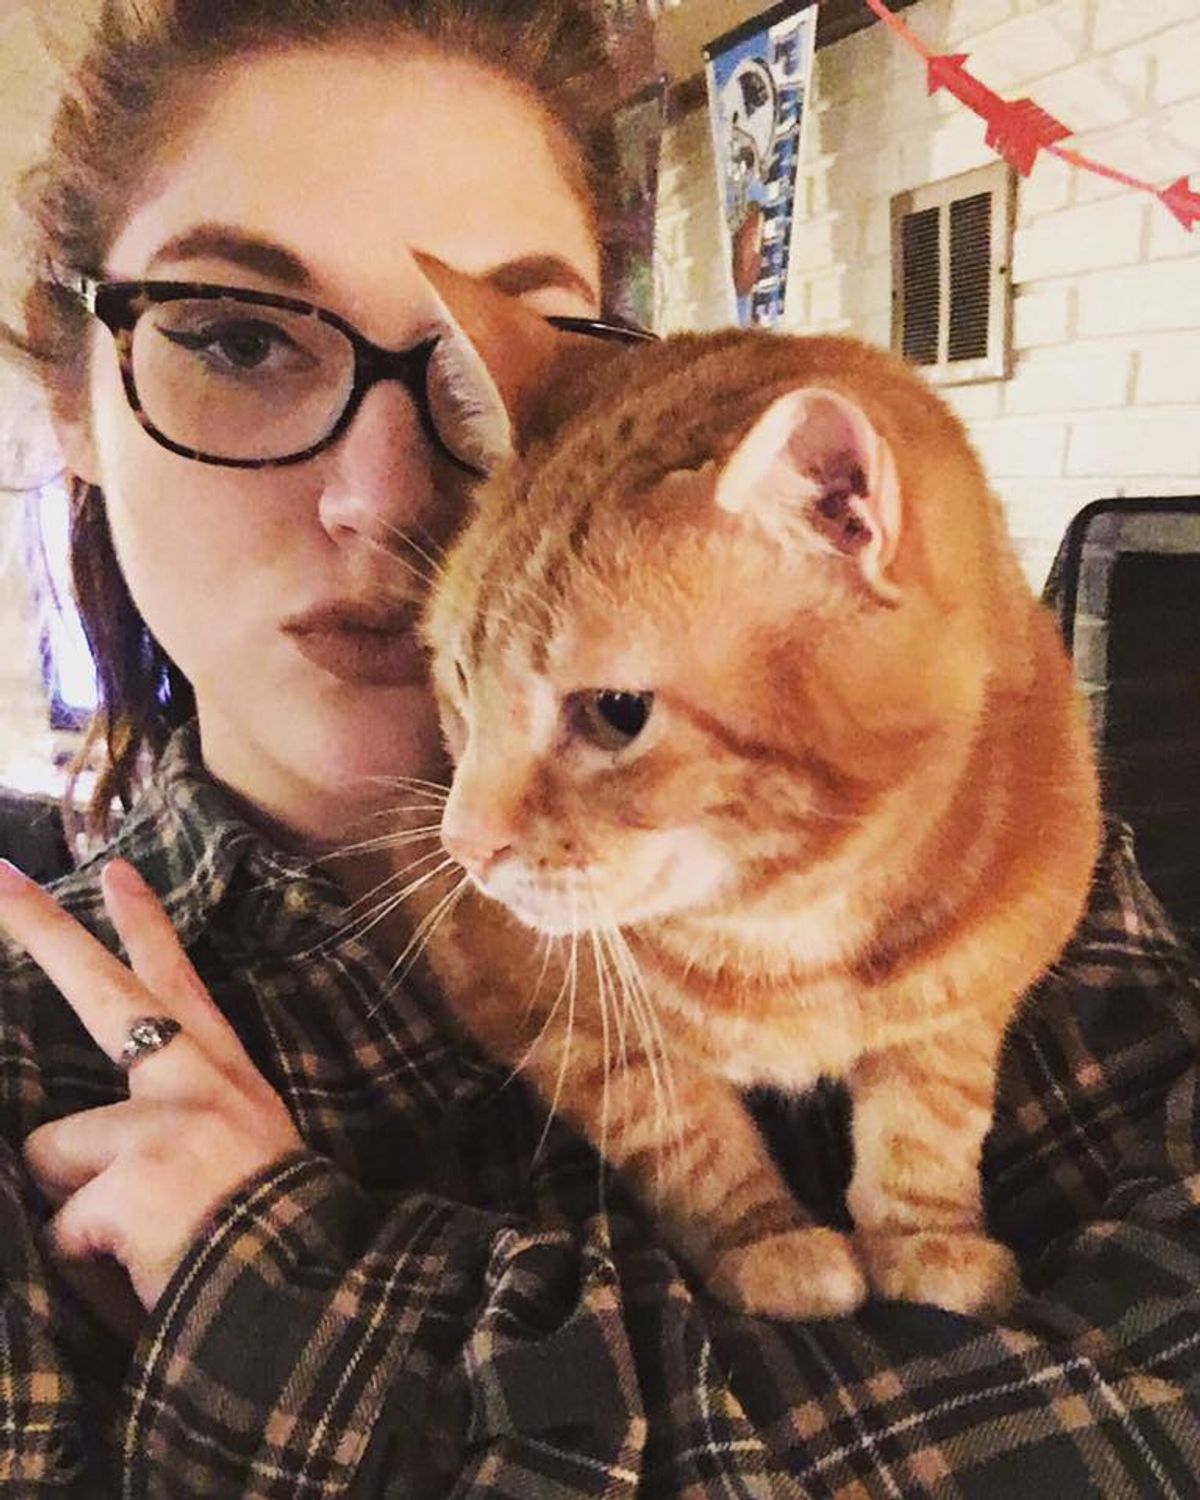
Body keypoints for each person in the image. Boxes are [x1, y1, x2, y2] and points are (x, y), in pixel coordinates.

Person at [1, 2, 1198, 1495]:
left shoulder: (993, 842)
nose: (387, 501)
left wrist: (295, 1306)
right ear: (68, 400)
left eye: (467, 375)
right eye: (236, 340)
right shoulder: (29, 1059)